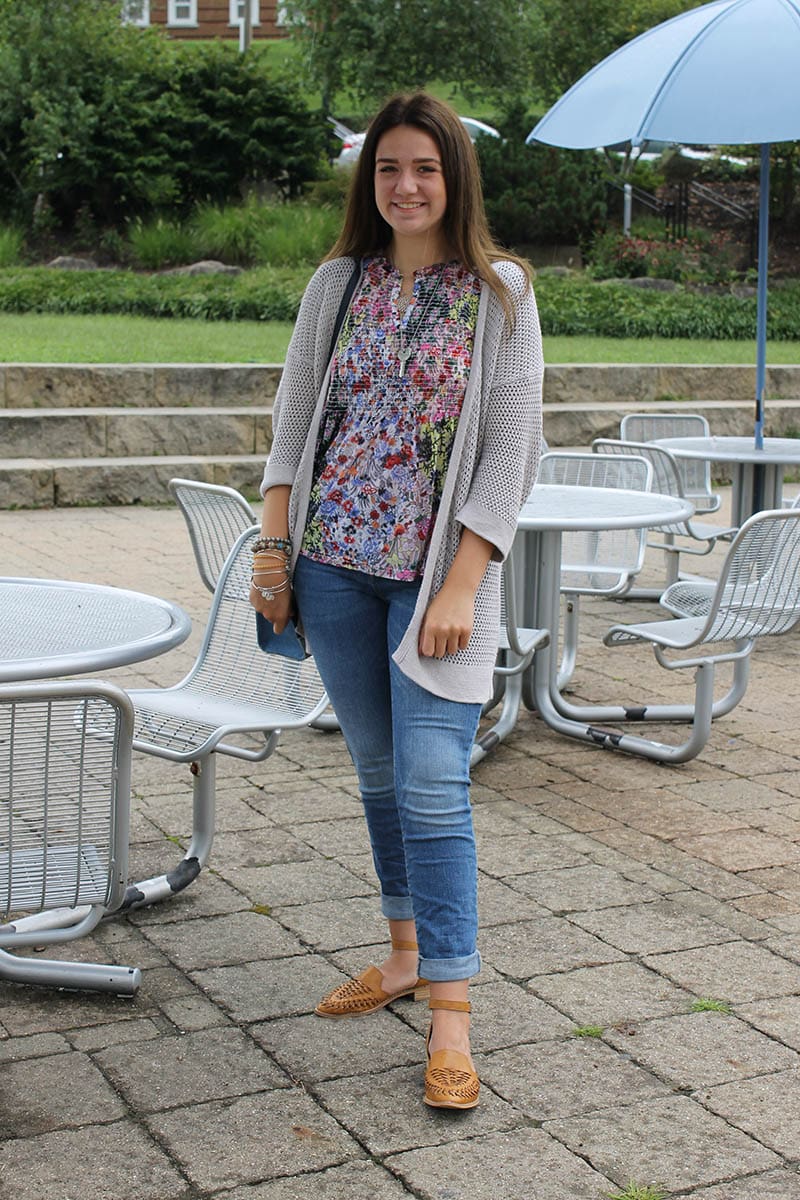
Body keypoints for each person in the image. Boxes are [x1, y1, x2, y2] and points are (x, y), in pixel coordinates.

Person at [251, 91, 543, 1110]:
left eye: (422, 167)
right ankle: (404, 953)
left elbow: (510, 452)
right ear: (367, 182)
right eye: (386, 169)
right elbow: (292, 429)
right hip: (332, 568)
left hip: (435, 583)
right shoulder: (336, 284)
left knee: (431, 781)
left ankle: (452, 1018)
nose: (404, 186)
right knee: (376, 773)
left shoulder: (499, 291)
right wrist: (274, 554)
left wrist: (463, 581)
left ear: (452, 177)